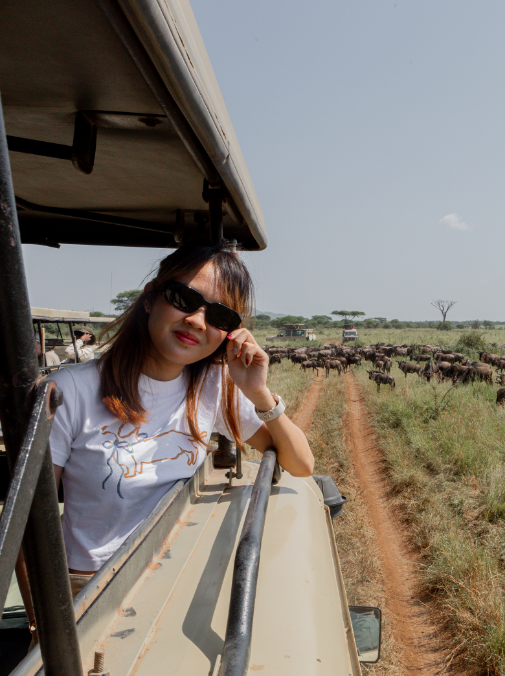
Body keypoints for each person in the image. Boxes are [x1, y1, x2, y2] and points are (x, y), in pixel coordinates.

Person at [49, 244, 314, 596]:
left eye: (220, 316)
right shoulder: (71, 390)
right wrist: (45, 631)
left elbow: (301, 464)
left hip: (176, 577)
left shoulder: (212, 386)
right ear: (149, 299)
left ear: (230, 333)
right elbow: (31, 525)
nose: (197, 321)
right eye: (184, 298)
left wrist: (259, 394)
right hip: (90, 589)